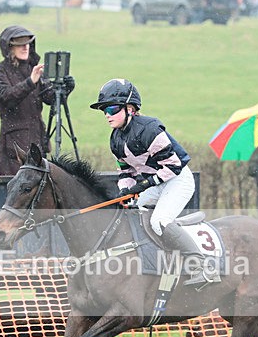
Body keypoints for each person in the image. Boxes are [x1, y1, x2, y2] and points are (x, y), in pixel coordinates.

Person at [89, 78, 218, 287]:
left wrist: (142, 185)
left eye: (112, 109)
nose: (107, 115)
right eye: (104, 110)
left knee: (159, 221)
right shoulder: (115, 139)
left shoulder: (149, 129)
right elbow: (126, 172)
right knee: (131, 216)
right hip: (157, 184)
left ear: (130, 109)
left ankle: (202, 265)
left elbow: (174, 166)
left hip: (177, 180)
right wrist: (125, 192)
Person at [0, 25, 74, 176]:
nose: (25, 47)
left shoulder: (33, 69)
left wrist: (64, 89)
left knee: (40, 184)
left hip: (37, 139)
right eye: (20, 45)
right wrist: (30, 82)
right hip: (14, 145)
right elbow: (6, 98)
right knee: (14, 185)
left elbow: (50, 98)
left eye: (28, 44)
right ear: (9, 48)